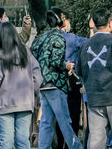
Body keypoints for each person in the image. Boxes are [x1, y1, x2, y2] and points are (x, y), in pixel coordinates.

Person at [76, 7, 112, 149]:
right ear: (110, 23)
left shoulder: (85, 45)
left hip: (94, 99)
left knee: (96, 140)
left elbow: (79, 70)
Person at [31, 9, 80, 149]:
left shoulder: (41, 38)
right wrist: (67, 65)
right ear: (60, 19)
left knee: (46, 122)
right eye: (64, 17)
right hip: (56, 85)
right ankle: (76, 146)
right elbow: (56, 61)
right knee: (65, 121)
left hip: (42, 84)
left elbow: (33, 54)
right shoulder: (59, 37)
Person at [0, 22, 41, 149]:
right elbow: (37, 75)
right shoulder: (26, 52)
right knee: (23, 140)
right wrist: (31, 91)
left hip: (4, 103)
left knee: (6, 141)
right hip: (25, 102)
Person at [59, 12, 86, 140]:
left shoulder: (47, 37)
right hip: (71, 78)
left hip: (56, 80)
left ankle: (59, 142)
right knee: (73, 113)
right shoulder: (72, 38)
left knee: (59, 115)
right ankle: (72, 141)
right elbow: (88, 43)